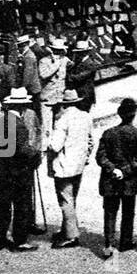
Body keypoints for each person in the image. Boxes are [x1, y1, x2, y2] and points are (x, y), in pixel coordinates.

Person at [0, 86, 43, 252]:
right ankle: (19, 241)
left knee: (3, 204)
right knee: (21, 205)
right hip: (19, 171)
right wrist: (36, 155)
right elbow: (23, 150)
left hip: (2, 170)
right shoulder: (19, 125)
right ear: (20, 107)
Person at [96, 97, 137, 259]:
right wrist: (124, 171)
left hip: (110, 180)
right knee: (128, 211)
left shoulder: (108, 133)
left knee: (110, 212)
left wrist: (113, 169)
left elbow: (100, 157)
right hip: (130, 180)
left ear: (119, 114)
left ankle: (109, 244)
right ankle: (126, 241)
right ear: (133, 115)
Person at [46, 88, 93, 248]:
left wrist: (47, 138)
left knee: (66, 200)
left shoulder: (62, 120)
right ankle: (67, 229)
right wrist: (85, 158)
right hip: (79, 165)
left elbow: (55, 145)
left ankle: (71, 236)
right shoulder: (86, 117)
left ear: (63, 105)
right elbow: (90, 141)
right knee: (72, 199)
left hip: (64, 166)